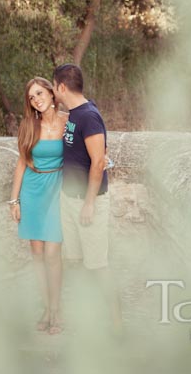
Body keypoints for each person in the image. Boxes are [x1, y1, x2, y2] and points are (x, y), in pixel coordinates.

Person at [51, 63, 121, 331]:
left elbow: (98, 162)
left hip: (87, 203)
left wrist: (89, 203)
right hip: (69, 199)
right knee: (76, 263)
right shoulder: (74, 114)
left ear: (61, 86)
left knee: (98, 267)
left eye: (54, 86)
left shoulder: (88, 116)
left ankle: (117, 328)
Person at [8, 77, 67, 335]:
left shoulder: (68, 122)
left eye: (40, 93)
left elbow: (86, 150)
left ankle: (57, 309)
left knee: (53, 254)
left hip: (57, 190)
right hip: (32, 192)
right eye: (32, 97)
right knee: (38, 255)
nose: (37, 99)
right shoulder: (28, 125)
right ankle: (47, 308)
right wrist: (14, 200)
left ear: (52, 94)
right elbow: (22, 163)